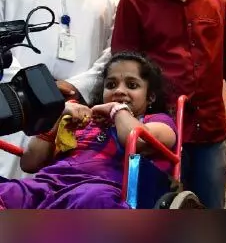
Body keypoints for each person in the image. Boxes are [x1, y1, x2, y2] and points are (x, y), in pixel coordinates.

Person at [110, 0, 226, 209]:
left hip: (210, 134)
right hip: (157, 134)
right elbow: (122, 71)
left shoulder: (216, 2)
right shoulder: (134, 3)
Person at [0, 0, 119, 180]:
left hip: (75, 115)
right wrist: (34, 90)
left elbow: (111, 55)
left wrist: (75, 87)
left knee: (58, 192)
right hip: (13, 107)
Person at [0, 51, 176, 209]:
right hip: (47, 185)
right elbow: (29, 164)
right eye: (111, 85)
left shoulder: (157, 121)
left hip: (94, 191)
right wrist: (58, 115)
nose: (119, 91)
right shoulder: (84, 118)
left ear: (150, 96)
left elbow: (136, 139)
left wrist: (116, 109)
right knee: (6, 191)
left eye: (132, 85)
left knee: (95, 198)